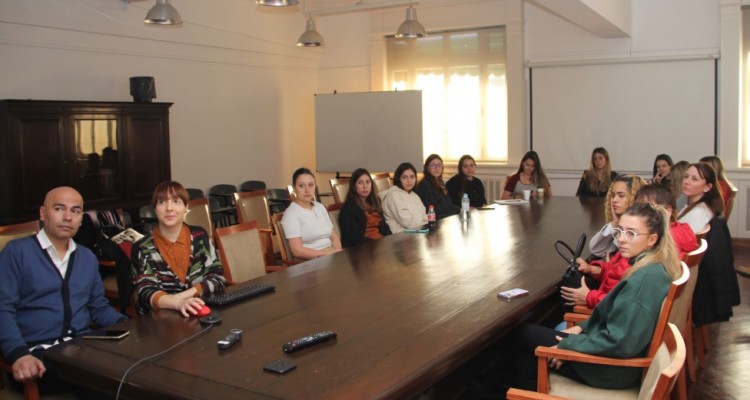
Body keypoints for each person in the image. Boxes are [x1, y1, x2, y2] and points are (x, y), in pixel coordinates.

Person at [512, 203, 682, 392]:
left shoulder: (643, 280)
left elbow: (620, 342)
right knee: (526, 360)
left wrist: (569, 346)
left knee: (522, 333)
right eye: (619, 231)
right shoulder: (652, 266)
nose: (621, 240)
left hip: (609, 367)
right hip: (610, 355)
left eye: (631, 234)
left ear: (652, 239)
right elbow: (615, 319)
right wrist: (579, 328)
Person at [0, 187, 127, 396]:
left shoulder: (87, 257)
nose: (68, 217)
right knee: (109, 383)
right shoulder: (17, 252)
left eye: (76, 211)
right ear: (43, 213)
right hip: (36, 357)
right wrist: (18, 354)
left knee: (136, 374)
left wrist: (130, 325)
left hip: (82, 350)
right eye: (59, 208)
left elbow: (99, 308)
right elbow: (3, 309)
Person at [561, 184, 698, 310]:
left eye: (648, 208)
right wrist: (593, 269)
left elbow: (630, 303)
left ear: (668, 211)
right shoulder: (664, 236)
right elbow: (618, 270)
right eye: (638, 207)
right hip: (609, 302)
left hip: (610, 313)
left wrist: (589, 297)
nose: (640, 213)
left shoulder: (658, 246)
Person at [131, 181, 226, 316]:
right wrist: (177, 304)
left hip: (202, 311)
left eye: (176, 201)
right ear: (155, 208)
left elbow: (217, 278)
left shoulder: (199, 235)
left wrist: (182, 297)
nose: (169, 208)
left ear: (186, 207)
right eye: (162, 202)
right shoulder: (142, 247)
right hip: (160, 321)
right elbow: (146, 291)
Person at [281, 167, 342, 259]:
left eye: (311, 185)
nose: (307, 190)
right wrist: (325, 255)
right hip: (310, 260)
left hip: (330, 255)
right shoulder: (291, 214)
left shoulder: (320, 207)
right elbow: (297, 251)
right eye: (301, 186)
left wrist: (337, 252)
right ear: (294, 188)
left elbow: (334, 237)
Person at [588, 174, 645, 258]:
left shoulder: (641, 227)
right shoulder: (620, 224)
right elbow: (596, 249)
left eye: (621, 195)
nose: (614, 200)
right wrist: (614, 223)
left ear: (635, 197)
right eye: (613, 195)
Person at [339, 168, 391, 248]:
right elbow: (355, 238)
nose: (365, 186)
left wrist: (390, 240)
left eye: (368, 182)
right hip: (363, 249)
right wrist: (378, 245)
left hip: (380, 244)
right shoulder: (349, 209)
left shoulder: (375, 202)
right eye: (360, 183)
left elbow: (384, 227)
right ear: (354, 186)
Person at [382, 162, 429, 234]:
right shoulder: (394, 195)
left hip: (417, 231)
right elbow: (407, 222)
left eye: (412, 177)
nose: (409, 181)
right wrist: (424, 224)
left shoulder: (414, 195)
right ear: (398, 179)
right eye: (404, 177)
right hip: (400, 235)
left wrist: (425, 224)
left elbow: (425, 216)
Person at [678, 163, 723, 233]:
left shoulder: (699, 213)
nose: (686, 182)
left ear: (707, 187)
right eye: (686, 176)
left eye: (694, 179)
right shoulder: (692, 205)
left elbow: (691, 242)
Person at [415, 154, 460, 219]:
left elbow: (448, 203)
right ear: (427, 168)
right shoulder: (425, 184)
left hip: (446, 217)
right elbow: (433, 209)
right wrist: (456, 210)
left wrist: (457, 209)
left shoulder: (440, 182)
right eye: (433, 165)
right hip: (434, 220)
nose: (437, 168)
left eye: (439, 165)